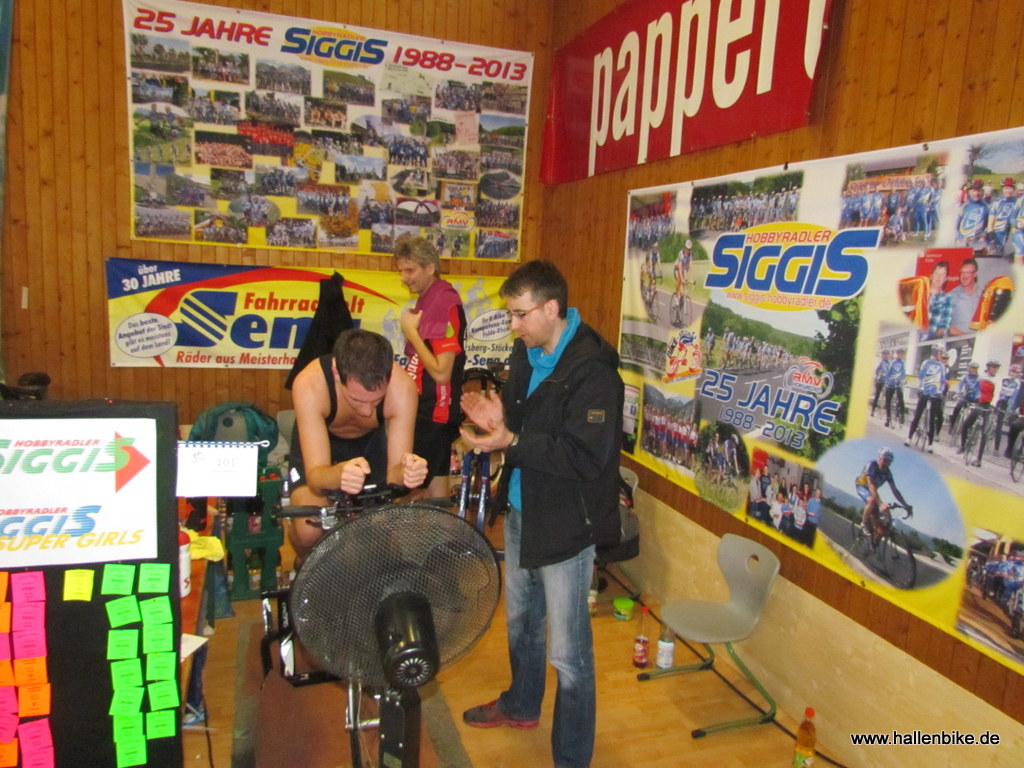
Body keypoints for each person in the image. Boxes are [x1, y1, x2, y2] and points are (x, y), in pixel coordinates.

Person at [458, 260, 623, 768]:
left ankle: (571, 758)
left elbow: (585, 457)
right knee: (522, 624)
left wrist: (511, 441)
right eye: (510, 315)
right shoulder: (526, 352)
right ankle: (521, 704)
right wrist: (498, 422)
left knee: (569, 655)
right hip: (523, 509)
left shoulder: (595, 372)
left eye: (520, 314)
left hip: (568, 525)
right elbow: (523, 422)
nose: (513, 325)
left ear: (552, 309)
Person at [287, 329, 428, 563]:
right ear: (336, 372)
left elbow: (395, 475)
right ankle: (306, 569)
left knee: (381, 536)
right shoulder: (310, 383)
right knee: (308, 531)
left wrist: (408, 473)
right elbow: (316, 479)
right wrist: (339, 475)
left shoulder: (402, 387)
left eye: (377, 400)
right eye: (356, 400)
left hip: (369, 445)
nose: (367, 412)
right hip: (322, 452)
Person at [394, 236, 467, 498]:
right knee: (436, 486)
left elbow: (441, 372)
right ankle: (439, 527)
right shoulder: (428, 299)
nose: (404, 278)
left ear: (430, 268)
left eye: (410, 270)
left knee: (408, 489)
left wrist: (410, 333)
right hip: (426, 408)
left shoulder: (443, 303)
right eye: (401, 271)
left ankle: (414, 526)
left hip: (434, 411)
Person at [855, 447, 912, 548]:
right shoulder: (872, 465)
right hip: (862, 486)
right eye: (885, 460)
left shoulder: (888, 473)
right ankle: (864, 523)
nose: (886, 463)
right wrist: (880, 503)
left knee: (883, 524)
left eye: (889, 462)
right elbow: (871, 485)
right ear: (879, 457)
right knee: (872, 501)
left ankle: (873, 544)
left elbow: (895, 490)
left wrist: (906, 505)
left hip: (873, 492)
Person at [905, 344, 947, 452]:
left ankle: (930, 444)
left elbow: (943, 381)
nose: (941, 355)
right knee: (918, 415)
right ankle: (909, 437)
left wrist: (940, 392)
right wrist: (921, 388)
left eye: (942, 353)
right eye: (940, 352)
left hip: (935, 394)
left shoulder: (942, 366)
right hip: (925, 391)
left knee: (932, 419)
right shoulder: (926, 363)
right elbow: (921, 377)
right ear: (934, 352)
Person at [959, 359, 1000, 466]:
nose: (995, 369)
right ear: (988, 367)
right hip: (979, 403)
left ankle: (979, 459)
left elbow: (997, 394)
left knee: (984, 433)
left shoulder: (997, 380)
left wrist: (993, 405)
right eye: (993, 367)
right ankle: (963, 446)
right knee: (966, 424)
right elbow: (975, 388)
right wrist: (970, 397)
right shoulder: (981, 376)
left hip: (989, 406)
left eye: (997, 367)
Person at [993, 363, 1022, 453]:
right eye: (1012, 372)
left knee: (999, 425)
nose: (1013, 374)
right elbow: (997, 389)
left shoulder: (1017, 383)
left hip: (1006, 403)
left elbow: (1014, 397)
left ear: (1018, 374)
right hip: (998, 399)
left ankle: (996, 448)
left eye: (1015, 373)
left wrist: (1009, 409)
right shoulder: (1004, 379)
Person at [948, 258, 981, 336]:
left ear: (975, 274)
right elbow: (945, 325)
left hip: (981, 338)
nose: (964, 276)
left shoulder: (984, 293)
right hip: (960, 338)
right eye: (962, 272)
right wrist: (965, 336)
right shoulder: (952, 295)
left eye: (968, 272)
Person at [925, 261, 952, 339]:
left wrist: (931, 340)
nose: (938, 277)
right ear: (931, 276)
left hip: (933, 339)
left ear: (945, 279)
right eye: (937, 273)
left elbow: (944, 326)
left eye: (942, 274)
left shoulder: (947, 298)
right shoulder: (921, 294)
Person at [883, 348, 907, 428]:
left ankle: (902, 415)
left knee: (901, 400)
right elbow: (888, 373)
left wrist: (904, 380)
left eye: (902, 354)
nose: (900, 355)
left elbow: (903, 373)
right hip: (891, 383)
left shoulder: (903, 363)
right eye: (899, 353)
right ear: (897, 354)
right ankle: (888, 418)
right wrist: (887, 382)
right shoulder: (892, 362)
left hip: (898, 384)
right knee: (888, 400)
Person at [871, 349, 892, 416]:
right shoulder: (880, 363)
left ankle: (886, 412)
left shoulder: (890, 363)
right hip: (880, 381)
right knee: (877, 396)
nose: (886, 356)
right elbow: (877, 371)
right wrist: (880, 375)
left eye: (887, 354)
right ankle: (873, 411)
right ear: (882, 355)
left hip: (886, 382)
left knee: (887, 396)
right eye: (884, 354)